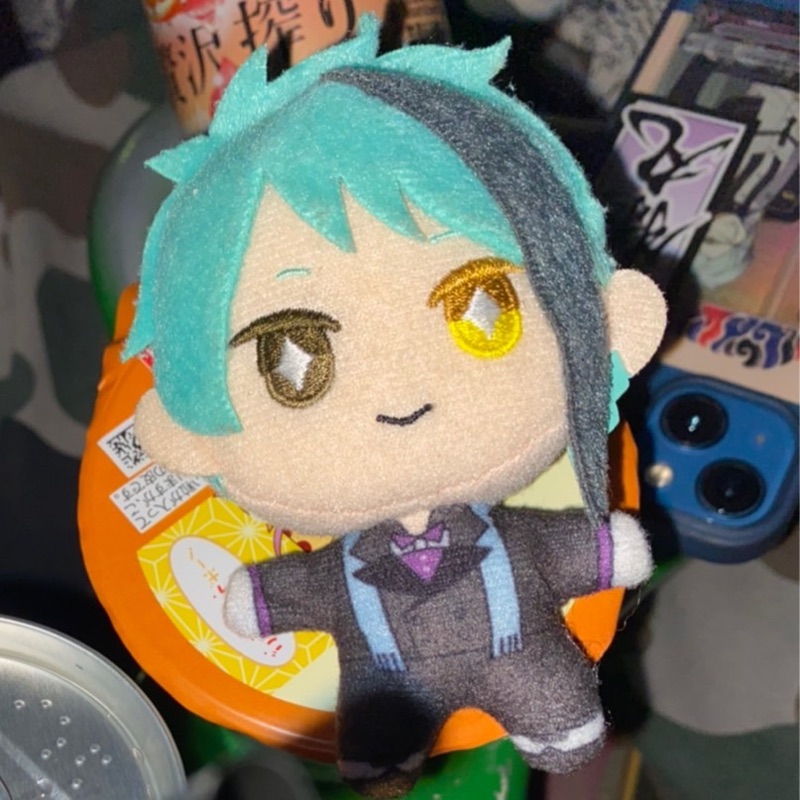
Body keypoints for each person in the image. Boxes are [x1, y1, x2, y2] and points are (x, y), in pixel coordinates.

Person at [125, 18, 666, 797]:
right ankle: (391, 754)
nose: (400, 394)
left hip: (523, 661)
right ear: (192, 435)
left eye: (483, 307)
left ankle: (547, 725)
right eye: (292, 360)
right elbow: (297, 591)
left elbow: (553, 549)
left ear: (606, 321)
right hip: (382, 693)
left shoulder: (483, 537)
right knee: (383, 743)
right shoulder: (344, 571)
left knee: (558, 717)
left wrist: (607, 551)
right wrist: (264, 597)